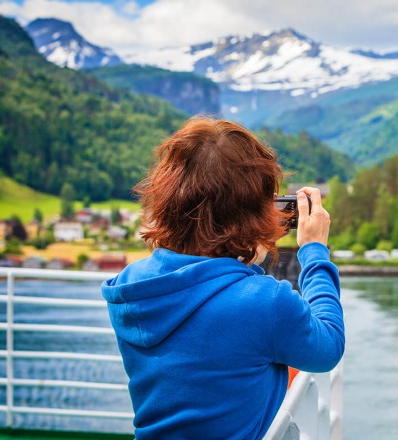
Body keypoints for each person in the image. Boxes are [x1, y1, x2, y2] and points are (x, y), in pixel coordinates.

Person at [101, 117, 344, 439]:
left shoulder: (131, 284)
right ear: (252, 212)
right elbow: (327, 348)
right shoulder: (262, 301)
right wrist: (314, 250)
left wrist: (245, 250)